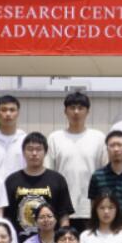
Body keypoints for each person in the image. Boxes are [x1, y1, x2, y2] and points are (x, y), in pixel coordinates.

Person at [45, 92, 108, 228]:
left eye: (80, 108)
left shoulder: (99, 138)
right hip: (62, 209)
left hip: (91, 209)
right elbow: (49, 175)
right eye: (72, 108)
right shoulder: (55, 138)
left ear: (87, 112)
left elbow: (105, 174)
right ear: (65, 111)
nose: (76, 112)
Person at [5, 132, 73, 241]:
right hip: (19, 241)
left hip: (51, 242)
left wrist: (64, 239)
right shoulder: (12, 180)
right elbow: (6, 216)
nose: (34, 153)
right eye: (30, 149)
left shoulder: (57, 179)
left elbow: (64, 215)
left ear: (45, 152)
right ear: (23, 152)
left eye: (38, 149)